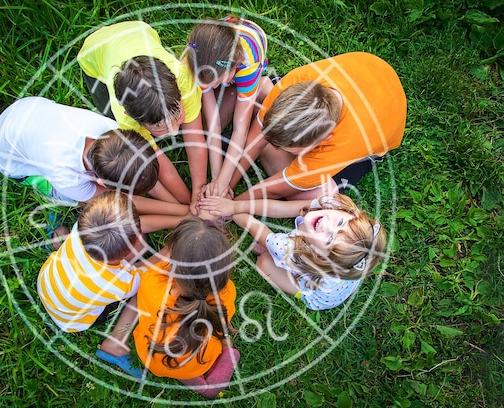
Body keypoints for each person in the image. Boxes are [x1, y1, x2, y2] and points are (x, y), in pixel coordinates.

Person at [229, 52, 406, 201]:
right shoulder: (293, 83)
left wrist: (233, 204)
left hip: (372, 135)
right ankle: (263, 100)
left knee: (314, 198)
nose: (275, 144)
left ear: (324, 140)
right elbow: (258, 138)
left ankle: (261, 94)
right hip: (370, 72)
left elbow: (277, 188)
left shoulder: (339, 147)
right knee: (263, 139)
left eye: (290, 148)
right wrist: (227, 185)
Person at [77, 21, 206, 211]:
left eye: (177, 118)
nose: (174, 132)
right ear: (131, 116)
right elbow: (156, 165)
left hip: (138, 30)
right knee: (126, 146)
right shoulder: (124, 117)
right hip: (94, 52)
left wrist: (198, 195)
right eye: (160, 130)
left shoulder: (183, 79)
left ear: (177, 87)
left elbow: (196, 141)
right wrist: (187, 205)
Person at [201, 191, 386, 310]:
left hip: (318, 294)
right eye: (340, 223)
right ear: (349, 212)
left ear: (318, 255)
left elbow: (254, 227)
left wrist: (231, 211)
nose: (327, 225)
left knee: (264, 262)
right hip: (337, 278)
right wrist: (234, 204)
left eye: (330, 240)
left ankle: (297, 289)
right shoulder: (332, 205)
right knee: (270, 251)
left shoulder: (290, 250)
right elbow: (281, 208)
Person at [37, 192, 148, 377]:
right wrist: (171, 248)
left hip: (49, 284)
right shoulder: (119, 285)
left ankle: (58, 241)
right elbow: (148, 271)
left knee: (138, 247)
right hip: (73, 321)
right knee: (146, 286)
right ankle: (116, 342)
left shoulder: (79, 231)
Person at [132, 217, 239, 397]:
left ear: (172, 255)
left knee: (171, 350)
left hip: (154, 358)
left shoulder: (151, 282)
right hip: (202, 358)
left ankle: (184, 374)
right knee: (221, 334)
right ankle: (216, 358)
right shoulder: (226, 292)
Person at [0, 96, 162, 204]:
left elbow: (137, 169)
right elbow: (117, 199)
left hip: (27, 109)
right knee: (75, 200)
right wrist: (179, 211)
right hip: (7, 156)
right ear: (101, 183)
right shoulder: (64, 176)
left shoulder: (109, 128)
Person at [183, 15, 273, 196]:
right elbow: (214, 123)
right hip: (219, 49)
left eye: (216, 84)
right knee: (208, 125)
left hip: (248, 50)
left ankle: (262, 85)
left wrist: (223, 182)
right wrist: (216, 179)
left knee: (238, 112)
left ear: (234, 67)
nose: (212, 88)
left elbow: (241, 129)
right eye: (210, 85)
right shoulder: (197, 62)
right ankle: (244, 92)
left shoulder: (247, 66)